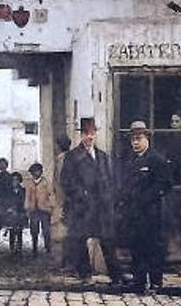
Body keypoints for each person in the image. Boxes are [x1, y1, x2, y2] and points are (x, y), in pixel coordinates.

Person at [61, 118, 121, 284]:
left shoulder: (102, 156)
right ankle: (85, 274)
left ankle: (116, 276)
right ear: (81, 135)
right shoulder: (72, 157)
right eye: (86, 133)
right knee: (80, 240)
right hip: (83, 207)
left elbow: (109, 179)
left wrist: (109, 197)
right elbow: (66, 182)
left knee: (107, 240)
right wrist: (82, 195)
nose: (90, 137)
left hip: (102, 207)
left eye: (92, 133)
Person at [121, 120, 171, 294]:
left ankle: (156, 282)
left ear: (147, 139)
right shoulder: (130, 161)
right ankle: (139, 281)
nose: (135, 142)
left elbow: (165, 184)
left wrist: (146, 198)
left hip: (151, 213)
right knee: (136, 247)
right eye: (133, 139)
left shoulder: (156, 159)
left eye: (139, 138)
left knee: (153, 248)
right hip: (134, 213)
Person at [24, 162, 55, 255]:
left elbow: (51, 194)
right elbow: (27, 196)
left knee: (46, 229)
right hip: (34, 209)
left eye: (38, 171)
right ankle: (34, 246)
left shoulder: (46, 182)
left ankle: (47, 246)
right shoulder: (29, 183)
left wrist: (51, 206)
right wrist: (27, 207)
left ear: (41, 172)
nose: (36, 173)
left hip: (44, 209)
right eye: (34, 171)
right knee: (34, 229)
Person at [52, 135, 72, 269]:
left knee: (62, 234)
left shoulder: (62, 159)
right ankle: (65, 262)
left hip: (63, 201)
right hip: (65, 200)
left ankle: (64, 262)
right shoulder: (72, 157)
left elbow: (60, 182)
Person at [7, 171, 26, 255]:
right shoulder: (8, 191)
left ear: (19, 181)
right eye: (13, 180)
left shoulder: (23, 191)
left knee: (19, 231)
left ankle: (19, 247)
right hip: (11, 213)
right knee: (11, 231)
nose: (15, 182)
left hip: (20, 212)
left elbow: (25, 202)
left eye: (16, 180)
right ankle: (12, 248)